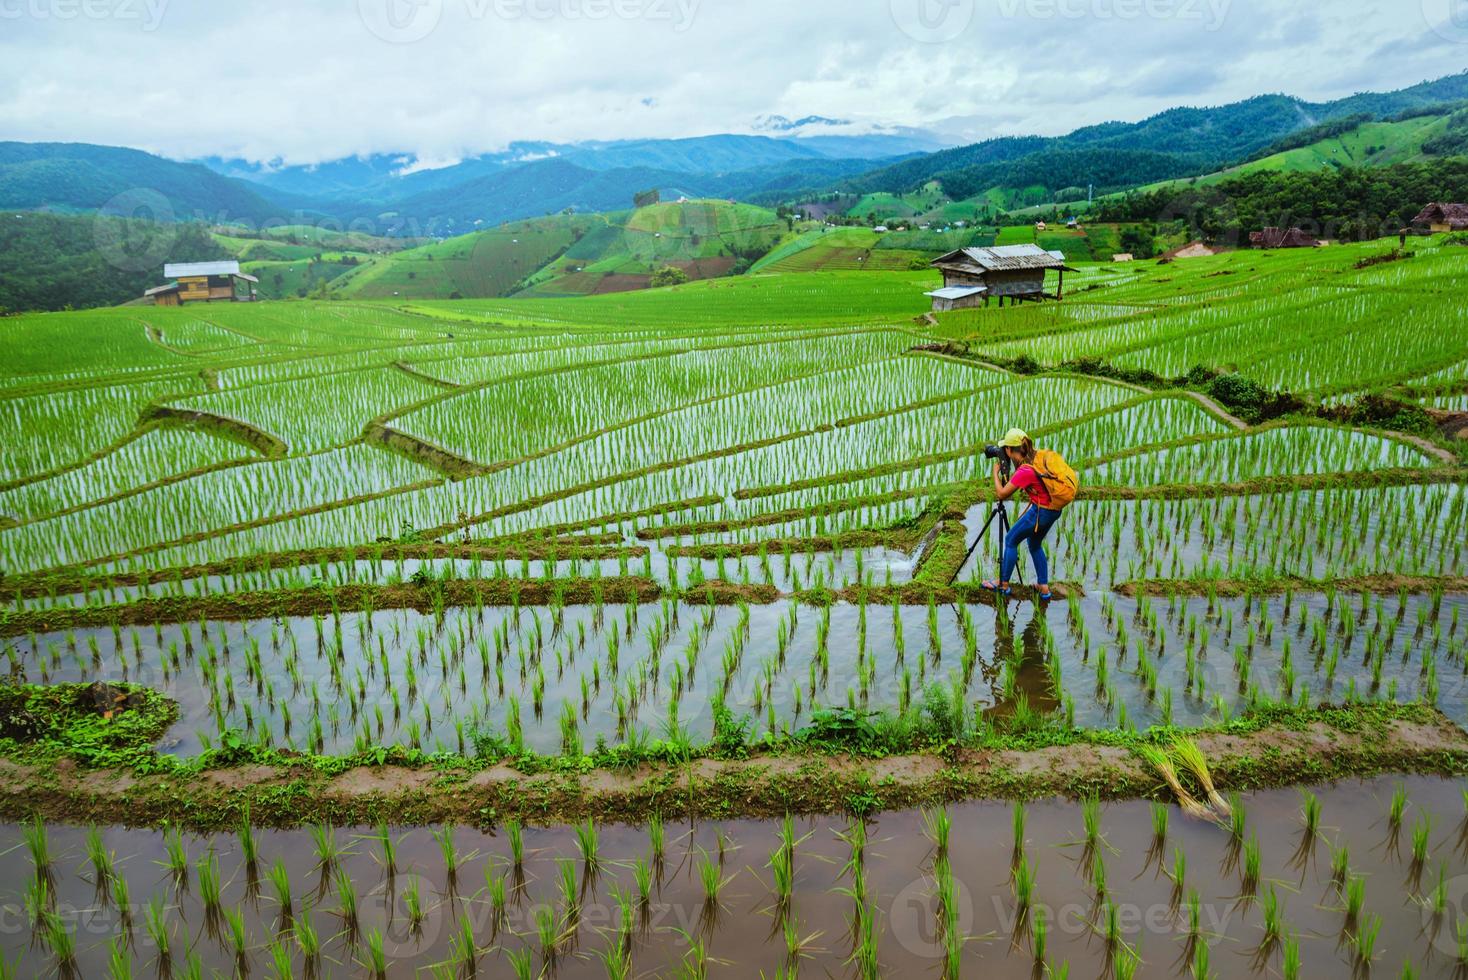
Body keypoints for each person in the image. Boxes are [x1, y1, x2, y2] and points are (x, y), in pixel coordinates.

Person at [982, 428, 1061, 599]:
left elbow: (1002, 493)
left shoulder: (1025, 470)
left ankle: (1002, 584)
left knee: (1011, 540)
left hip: (1041, 511)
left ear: (1010, 450)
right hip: (1054, 509)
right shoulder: (1036, 457)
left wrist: (995, 473)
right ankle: (1044, 587)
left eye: (1005, 450)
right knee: (1034, 543)